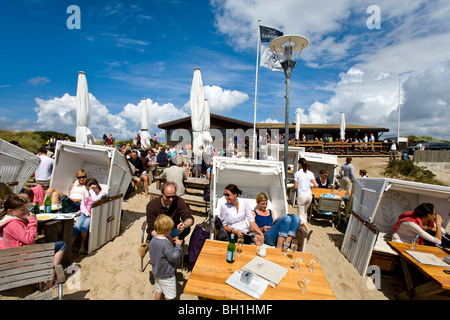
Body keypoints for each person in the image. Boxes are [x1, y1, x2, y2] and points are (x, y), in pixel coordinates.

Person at [0, 196, 66, 277]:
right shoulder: (13, 224)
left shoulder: (5, 221)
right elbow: (29, 239)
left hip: (12, 254)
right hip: (21, 255)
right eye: (22, 210)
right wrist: (32, 221)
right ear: (10, 211)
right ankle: (50, 274)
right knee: (62, 245)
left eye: (25, 209)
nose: (25, 211)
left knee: (43, 244)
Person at [148, 214, 182, 300]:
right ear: (167, 230)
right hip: (166, 275)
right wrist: (178, 246)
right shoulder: (165, 244)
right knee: (170, 296)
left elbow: (160, 251)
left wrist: (169, 240)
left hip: (157, 271)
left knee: (159, 290)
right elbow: (173, 258)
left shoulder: (154, 240)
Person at [72, 178, 106, 254]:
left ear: (96, 186)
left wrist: (91, 190)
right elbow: (82, 205)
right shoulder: (87, 193)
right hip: (86, 213)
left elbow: (95, 200)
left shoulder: (102, 194)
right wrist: (87, 213)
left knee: (84, 227)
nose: (89, 191)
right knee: (76, 227)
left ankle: (82, 245)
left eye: (91, 189)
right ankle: (70, 245)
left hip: (93, 215)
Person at [293, 158, 318, 238]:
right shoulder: (310, 173)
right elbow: (316, 185)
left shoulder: (297, 174)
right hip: (309, 196)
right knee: (304, 213)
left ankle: (307, 229)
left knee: (300, 214)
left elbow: (295, 186)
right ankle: (303, 229)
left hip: (301, 195)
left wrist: (290, 188)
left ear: (300, 164)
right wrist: (310, 185)